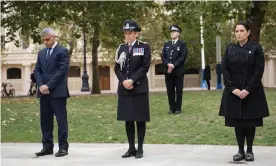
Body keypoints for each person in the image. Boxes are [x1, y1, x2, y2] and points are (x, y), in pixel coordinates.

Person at [219, 22, 270, 162]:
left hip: (252, 91)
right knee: (238, 122)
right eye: (237, 31)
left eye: (242, 30)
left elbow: (259, 69)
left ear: (248, 32)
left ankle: (250, 151)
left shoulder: (256, 48)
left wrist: (248, 89)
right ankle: (240, 151)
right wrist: (233, 88)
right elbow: (225, 69)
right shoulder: (230, 49)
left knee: (250, 122)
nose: (239, 33)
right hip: (233, 92)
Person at [114, 19, 151, 159]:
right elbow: (117, 68)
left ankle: (140, 148)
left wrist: (132, 80)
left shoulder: (144, 47)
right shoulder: (121, 48)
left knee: (140, 119)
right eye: (126, 33)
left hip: (139, 88)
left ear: (137, 34)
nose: (128, 36)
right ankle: (131, 148)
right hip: (124, 89)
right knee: (128, 119)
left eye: (130, 33)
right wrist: (123, 81)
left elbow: (145, 67)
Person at [34, 27, 70, 157]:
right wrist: (40, 85)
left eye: (47, 39)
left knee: (61, 121)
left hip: (57, 92)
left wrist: (48, 85)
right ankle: (47, 147)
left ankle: (63, 148)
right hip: (43, 92)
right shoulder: (41, 53)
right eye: (43, 40)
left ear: (54, 37)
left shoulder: (63, 51)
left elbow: (62, 71)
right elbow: (37, 70)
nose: (45, 42)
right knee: (45, 121)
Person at [161, 24, 188, 115]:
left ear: (178, 33)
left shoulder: (182, 44)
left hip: (178, 71)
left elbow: (183, 56)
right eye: (171, 32)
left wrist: (173, 65)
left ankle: (177, 108)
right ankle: (171, 108)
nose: (172, 33)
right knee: (170, 90)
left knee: (178, 90)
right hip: (168, 71)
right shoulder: (167, 44)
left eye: (174, 32)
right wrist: (167, 64)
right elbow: (163, 56)